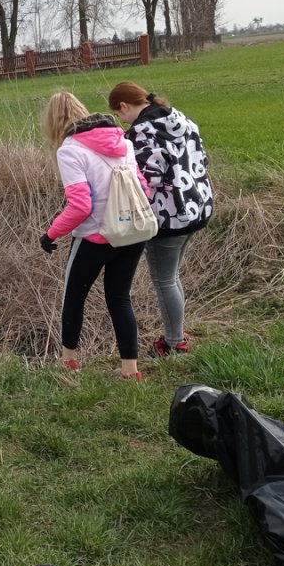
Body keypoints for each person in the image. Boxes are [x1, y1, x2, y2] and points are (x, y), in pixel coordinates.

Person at [39, 91, 150, 381]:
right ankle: (130, 369)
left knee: (73, 296)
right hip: (131, 233)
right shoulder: (122, 142)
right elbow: (142, 188)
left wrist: (51, 234)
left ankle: (69, 362)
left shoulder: (70, 150)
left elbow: (80, 206)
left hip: (94, 237)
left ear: (53, 121)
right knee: (119, 297)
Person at [107, 81, 213, 358]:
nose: (122, 120)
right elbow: (203, 160)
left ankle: (174, 342)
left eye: (120, 115)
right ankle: (177, 332)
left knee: (164, 279)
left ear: (125, 106)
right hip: (197, 206)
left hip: (167, 217)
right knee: (171, 276)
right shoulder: (182, 120)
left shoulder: (142, 132)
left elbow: (147, 177)